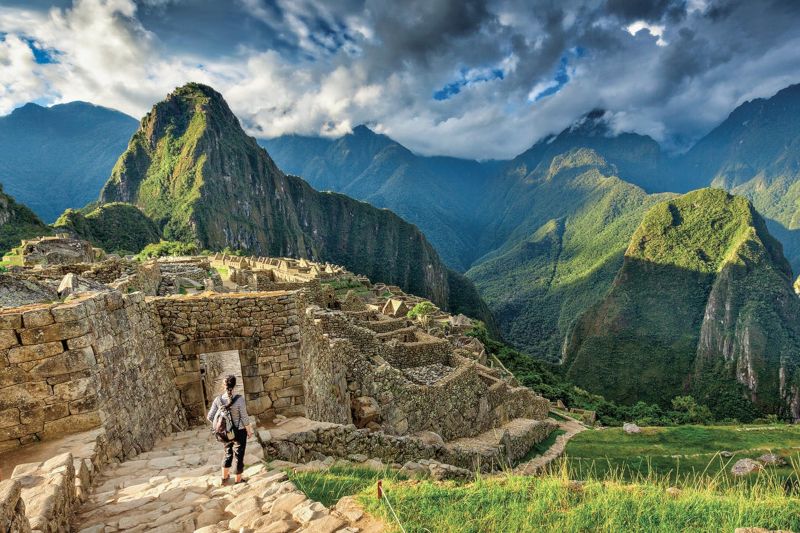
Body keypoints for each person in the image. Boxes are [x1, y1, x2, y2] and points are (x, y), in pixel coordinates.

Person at [207, 375, 253, 485]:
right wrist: (249, 431)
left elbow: (210, 416)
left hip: (225, 433)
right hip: (239, 431)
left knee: (227, 452)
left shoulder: (218, 400)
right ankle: (238, 480)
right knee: (239, 455)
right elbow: (244, 418)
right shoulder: (239, 399)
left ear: (223, 385)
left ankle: (224, 478)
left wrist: (219, 426)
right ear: (235, 385)